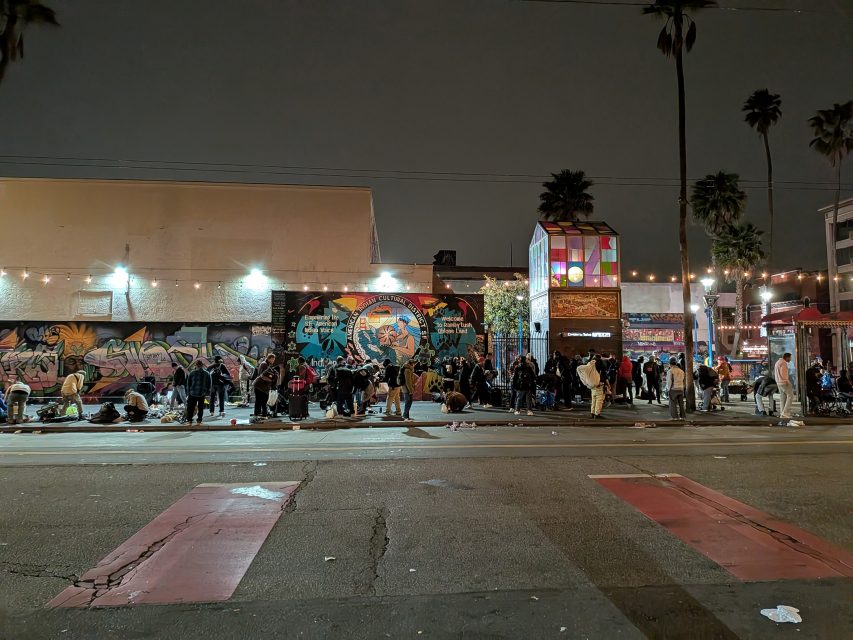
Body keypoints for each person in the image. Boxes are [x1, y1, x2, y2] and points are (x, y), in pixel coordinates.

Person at [774, 353, 801, 426]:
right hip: (784, 382)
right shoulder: (783, 363)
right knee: (790, 396)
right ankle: (785, 413)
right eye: (790, 357)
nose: (790, 359)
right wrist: (788, 382)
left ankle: (782, 413)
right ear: (786, 357)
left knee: (783, 397)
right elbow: (784, 374)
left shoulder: (777, 362)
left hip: (778, 382)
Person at [184, 360, 212, 425]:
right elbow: (209, 384)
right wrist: (207, 392)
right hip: (202, 393)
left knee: (191, 407)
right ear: (202, 365)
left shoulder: (192, 373)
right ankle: (199, 421)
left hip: (192, 392)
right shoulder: (207, 373)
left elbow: (188, 384)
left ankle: (189, 421)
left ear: (196, 366)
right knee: (200, 407)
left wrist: (188, 393)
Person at [252, 354, 279, 418]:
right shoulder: (264, 364)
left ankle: (260, 413)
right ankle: (261, 414)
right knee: (261, 400)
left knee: (261, 400)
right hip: (259, 385)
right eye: (272, 359)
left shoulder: (268, 365)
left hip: (262, 386)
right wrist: (271, 380)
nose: (273, 361)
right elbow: (262, 375)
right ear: (269, 358)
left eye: (274, 360)